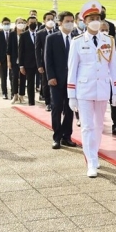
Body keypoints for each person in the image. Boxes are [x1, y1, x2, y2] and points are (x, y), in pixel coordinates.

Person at [67, 0, 116, 178]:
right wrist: (71, 95)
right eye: (91, 18)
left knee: (98, 126)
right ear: (84, 20)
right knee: (87, 127)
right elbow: (72, 69)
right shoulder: (77, 42)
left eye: (98, 17)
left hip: (102, 89)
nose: (95, 21)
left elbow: (114, 67)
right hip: (84, 90)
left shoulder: (109, 40)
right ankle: (90, 161)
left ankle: (95, 153)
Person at [45, 11, 77, 149]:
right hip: (56, 80)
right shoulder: (52, 38)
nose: (70, 24)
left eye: (72, 21)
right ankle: (56, 137)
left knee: (70, 109)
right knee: (57, 108)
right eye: (67, 21)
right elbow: (48, 59)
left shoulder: (77, 37)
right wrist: (50, 76)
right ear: (60, 23)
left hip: (72, 80)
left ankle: (67, 136)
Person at [100, 21, 116, 137]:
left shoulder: (111, 41)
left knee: (115, 103)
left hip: (110, 79)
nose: (104, 32)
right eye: (102, 29)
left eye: (106, 29)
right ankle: (98, 125)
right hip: (98, 79)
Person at [36, 12, 57, 111]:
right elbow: (37, 50)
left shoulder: (57, 32)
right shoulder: (40, 33)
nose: (50, 21)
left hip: (57, 62)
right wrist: (39, 65)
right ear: (44, 21)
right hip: (45, 63)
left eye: (52, 19)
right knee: (46, 83)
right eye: (48, 19)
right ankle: (48, 102)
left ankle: (56, 102)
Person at [19, 16, 39, 106]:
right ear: (27, 23)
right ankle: (31, 101)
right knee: (30, 83)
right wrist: (21, 65)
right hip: (28, 63)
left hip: (40, 63)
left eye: (34, 22)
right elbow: (21, 51)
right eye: (31, 22)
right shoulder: (23, 35)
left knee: (43, 83)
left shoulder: (40, 34)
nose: (33, 24)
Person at [8, 17, 27, 104]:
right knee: (14, 77)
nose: (20, 24)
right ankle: (14, 95)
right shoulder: (12, 34)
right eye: (19, 22)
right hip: (14, 60)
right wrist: (9, 61)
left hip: (24, 60)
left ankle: (22, 95)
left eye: (22, 22)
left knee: (23, 78)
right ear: (15, 24)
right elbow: (8, 50)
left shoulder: (26, 34)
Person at [0, 17, 12, 99]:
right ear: (2, 25)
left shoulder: (13, 33)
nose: (6, 25)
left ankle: (13, 92)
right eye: (5, 24)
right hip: (2, 58)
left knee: (12, 76)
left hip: (12, 58)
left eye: (8, 24)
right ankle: (4, 93)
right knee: (3, 76)